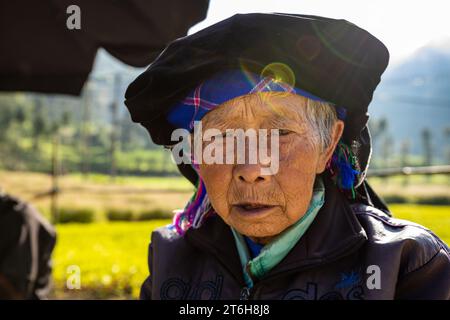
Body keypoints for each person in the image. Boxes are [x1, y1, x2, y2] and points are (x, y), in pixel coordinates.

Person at [125, 13, 450, 300]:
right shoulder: (171, 259)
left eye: (280, 134)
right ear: (196, 153)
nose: (252, 169)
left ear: (328, 144)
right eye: (222, 137)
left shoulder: (406, 264)